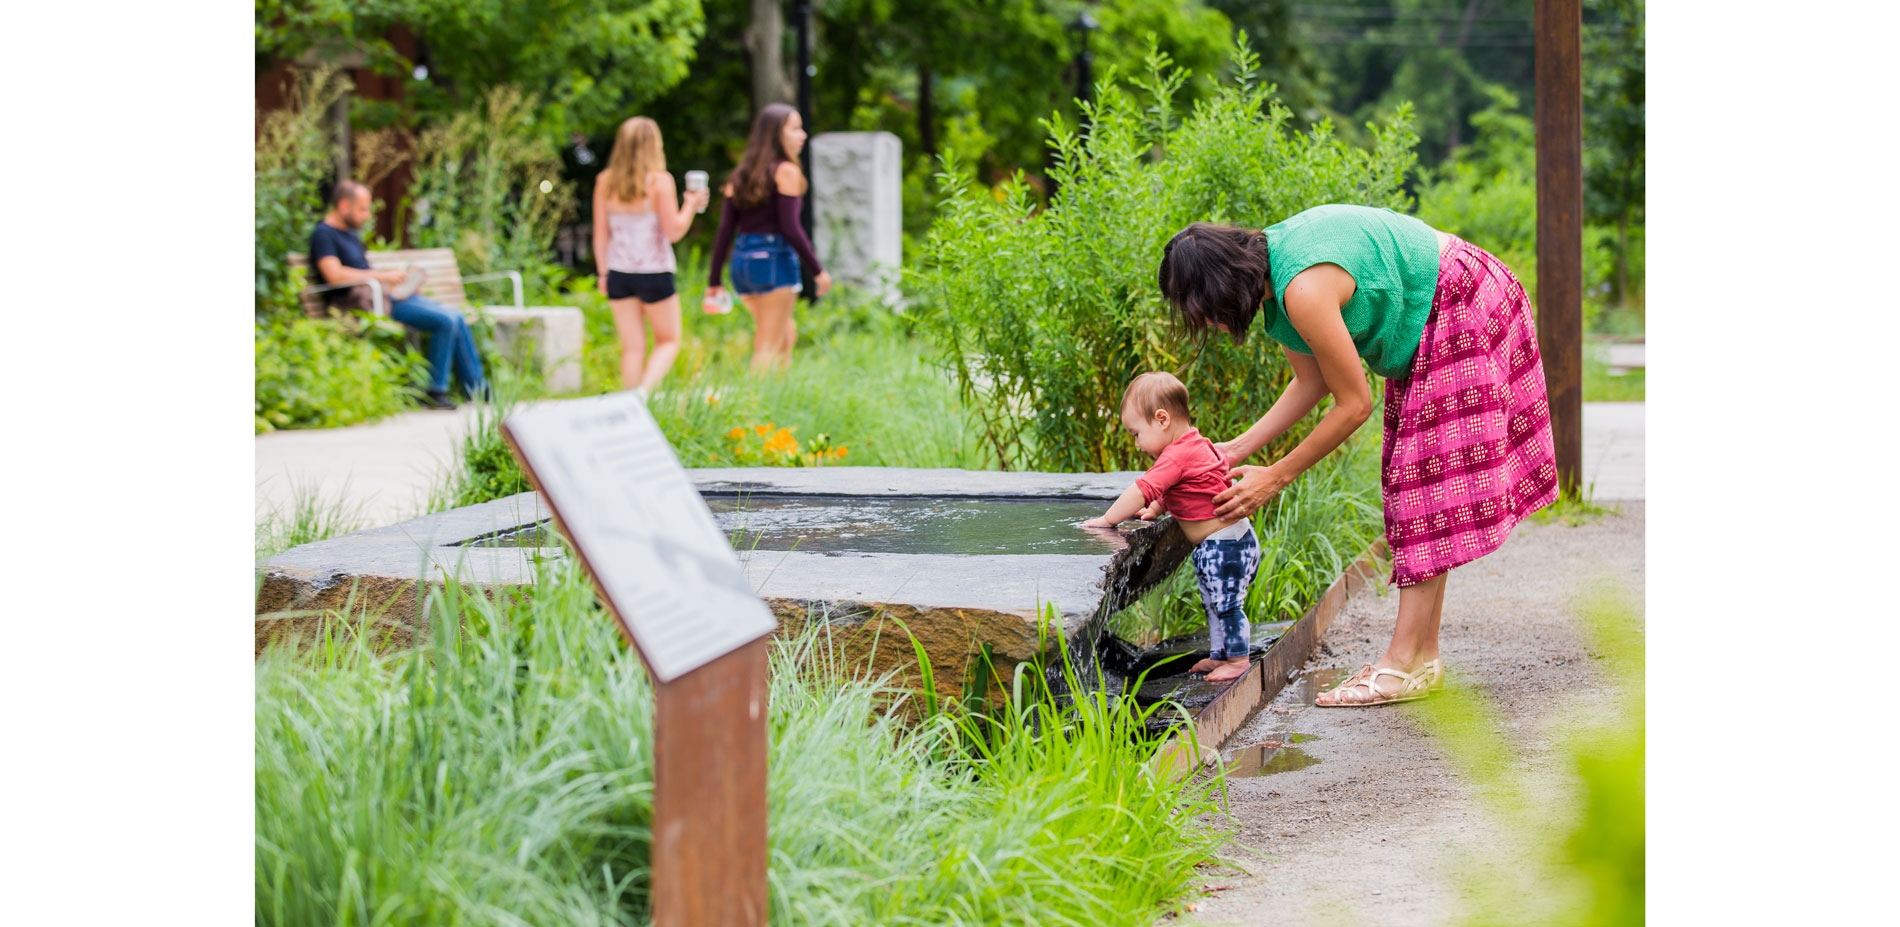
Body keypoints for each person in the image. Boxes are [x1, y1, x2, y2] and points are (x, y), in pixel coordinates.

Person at [1156, 203, 1558, 706]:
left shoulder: (1301, 287)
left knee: (1422, 487)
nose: (1208, 324)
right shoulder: (1277, 282)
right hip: (1450, 298)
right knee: (1420, 485)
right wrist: (1238, 448)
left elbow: (1354, 404)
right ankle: (1421, 660)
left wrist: (1275, 477)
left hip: (1460, 299)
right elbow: (1314, 381)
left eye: (1201, 311)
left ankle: (1400, 662)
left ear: (1217, 287)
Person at [1082, 372, 1262, 683]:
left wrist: (1107, 520)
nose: (1137, 444)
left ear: (1162, 419)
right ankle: (1220, 655)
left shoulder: (1176, 455)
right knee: (1213, 602)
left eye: (1136, 433)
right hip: (1228, 543)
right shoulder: (1197, 445)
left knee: (1227, 604)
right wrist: (1157, 507)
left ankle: (1238, 659)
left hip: (1224, 547)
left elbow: (1142, 487)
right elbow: (1188, 487)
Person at [308, 180, 486, 410]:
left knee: (457, 315)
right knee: (446, 321)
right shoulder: (324, 234)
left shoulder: (350, 234)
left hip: (382, 295)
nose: (367, 215)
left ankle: (478, 390)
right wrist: (383, 277)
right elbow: (333, 275)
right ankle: (435, 392)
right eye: (362, 209)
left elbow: (363, 272)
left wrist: (401, 283)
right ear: (344, 206)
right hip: (361, 304)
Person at [703, 103, 832, 371]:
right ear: (777, 134)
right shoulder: (787, 171)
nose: (802, 135)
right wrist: (817, 271)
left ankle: (776, 401)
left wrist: (715, 280)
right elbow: (791, 227)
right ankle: (752, 409)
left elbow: (725, 231)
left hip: (743, 265)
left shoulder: (739, 176)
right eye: (795, 128)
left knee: (786, 336)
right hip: (773, 261)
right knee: (767, 346)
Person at [593, 116, 710, 398]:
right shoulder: (660, 182)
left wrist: (602, 274)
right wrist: (692, 205)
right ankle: (643, 393)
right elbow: (674, 231)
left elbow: (600, 233)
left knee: (632, 347)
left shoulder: (605, 182)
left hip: (618, 273)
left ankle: (629, 400)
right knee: (668, 340)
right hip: (654, 272)